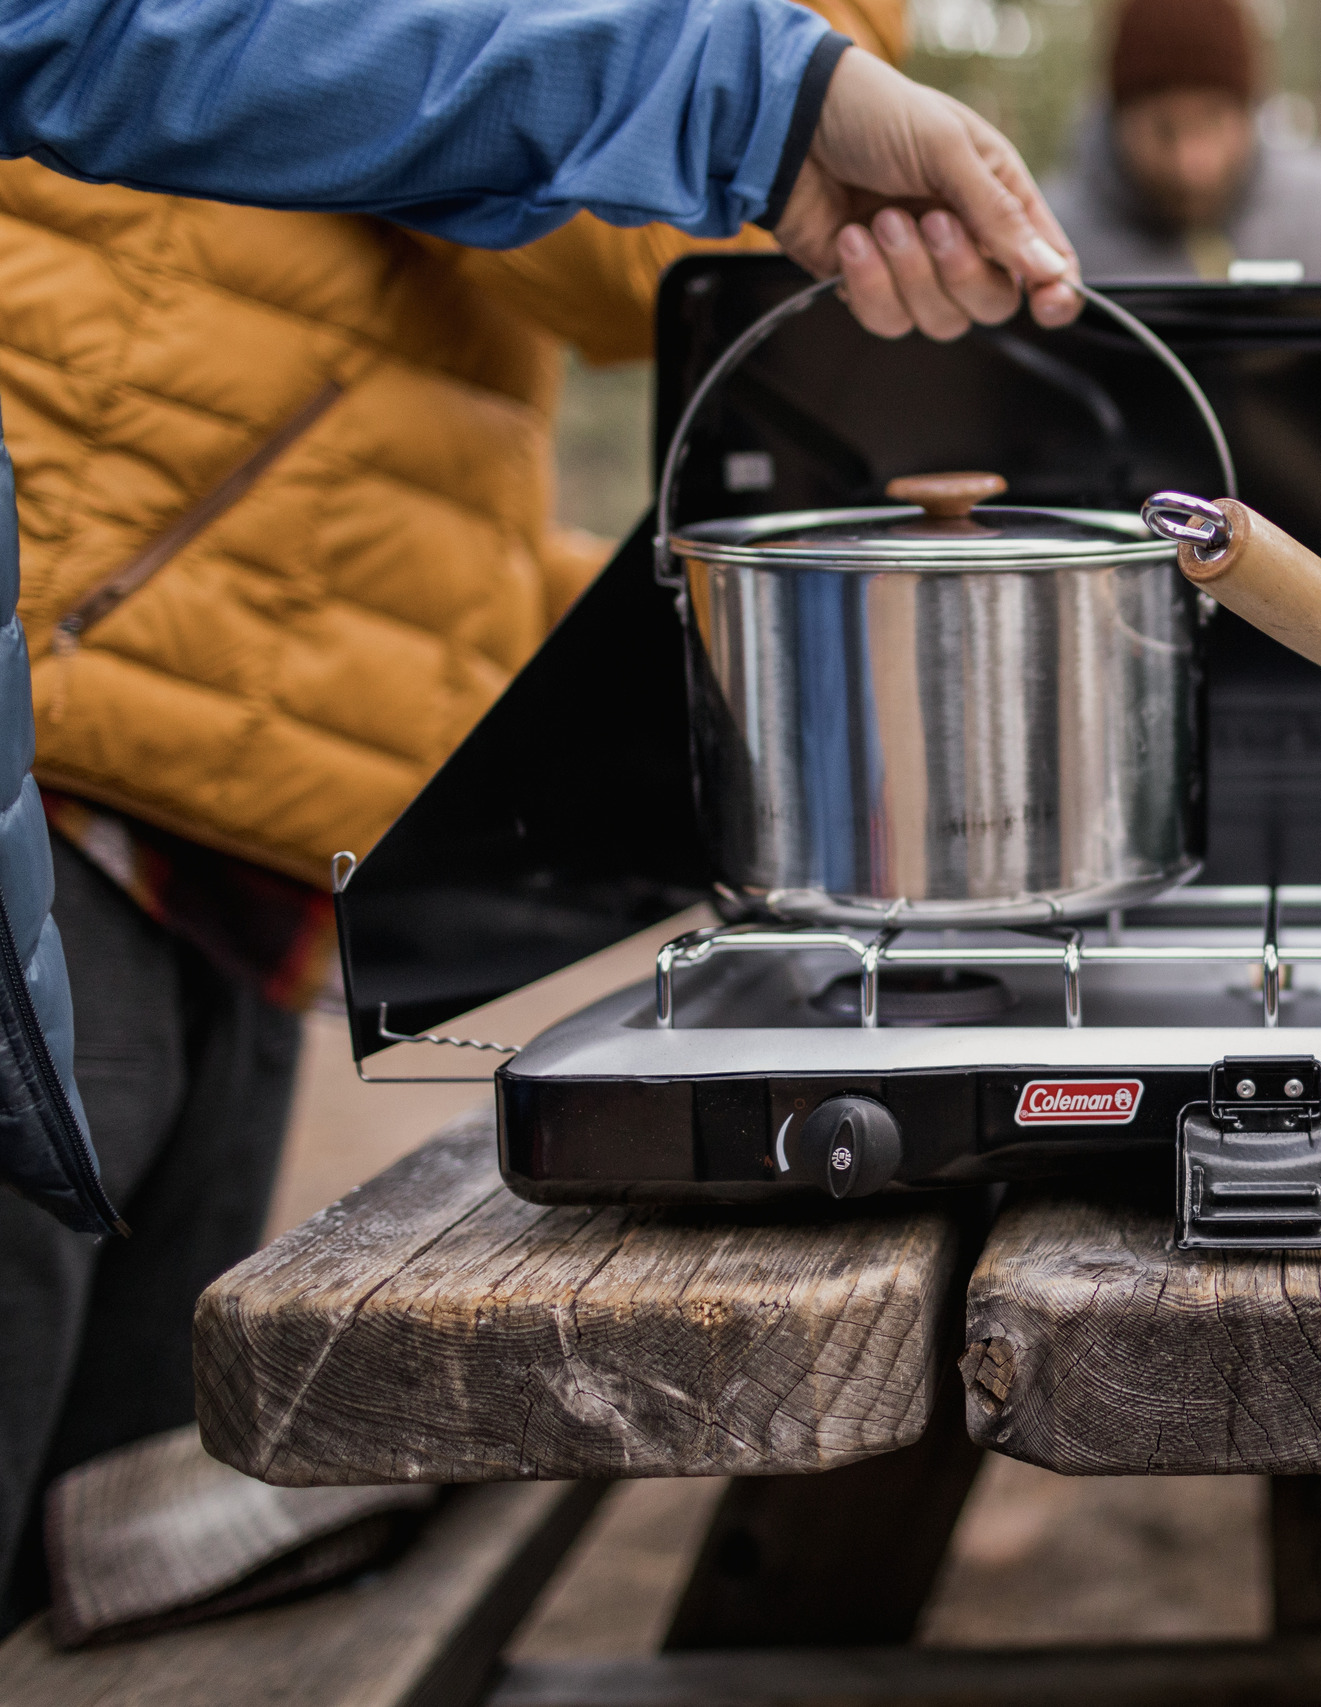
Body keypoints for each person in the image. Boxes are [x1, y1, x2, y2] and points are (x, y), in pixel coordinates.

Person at [0, 0, 1081, 1628]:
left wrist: (773, 93)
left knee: (114, 1554)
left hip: (242, 766)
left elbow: (656, 255)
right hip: (78, 694)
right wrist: (767, 90)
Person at [1043, 0, 1321, 281]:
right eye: (1163, 130)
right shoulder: (1045, 237)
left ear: (1249, 110)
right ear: (1118, 120)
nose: (1192, 165)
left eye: (1213, 121)